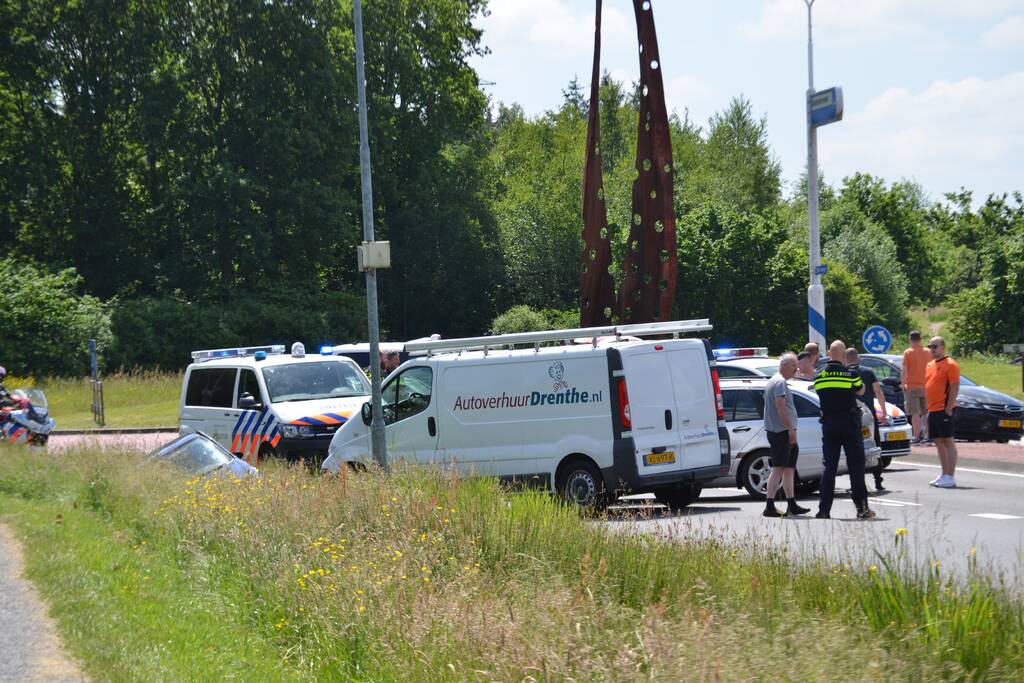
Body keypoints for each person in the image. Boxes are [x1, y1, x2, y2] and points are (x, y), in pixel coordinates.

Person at [813, 340, 875, 520]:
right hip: (849, 424)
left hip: (829, 425)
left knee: (829, 467)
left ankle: (824, 510)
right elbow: (861, 391)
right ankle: (862, 509)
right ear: (842, 356)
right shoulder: (851, 374)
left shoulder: (819, 375)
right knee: (856, 466)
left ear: (829, 354)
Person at [762, 353, 810, 517]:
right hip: (781, 432)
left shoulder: (774, 381)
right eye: (793, 365)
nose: (796, 369)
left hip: (781, 431)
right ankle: (769, 506)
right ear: (784, 365)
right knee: (778, 468)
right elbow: (780, 406)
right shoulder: (779, 382)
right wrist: (790, 429)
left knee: (789, 468)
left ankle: (792, 504)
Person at [846, 347, 889, 492]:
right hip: (869, 417)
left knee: (853, 449)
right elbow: (879, 392)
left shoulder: (845, 374)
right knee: (875, 447)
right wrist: (884, 412)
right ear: (858, 358)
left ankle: (856, 482)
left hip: (852, 416)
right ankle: (878, 480)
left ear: (845, 359)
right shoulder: (868, 372)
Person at [925, 337, 960, 488]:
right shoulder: (930, 364)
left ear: (943, 347)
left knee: (948, 441)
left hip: (943, 408)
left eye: (935, 346)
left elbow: (954, 386)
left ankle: (950, 476)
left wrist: (949, 406)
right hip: (933, 409)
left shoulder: (950, 364)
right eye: (930, 346)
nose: (932, 349)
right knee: (938, 442)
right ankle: (944, 473)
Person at [902, 331, 931, 443]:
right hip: (926, 386)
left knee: (915, 413)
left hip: (912, 386)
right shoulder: (928, 352)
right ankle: (928, 436)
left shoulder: (908, 352)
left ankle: (917, 436)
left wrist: (903, 384)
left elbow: (904, 370)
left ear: (910, 340)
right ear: (920, 339)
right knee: (926, 412)